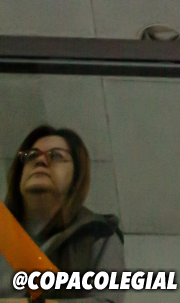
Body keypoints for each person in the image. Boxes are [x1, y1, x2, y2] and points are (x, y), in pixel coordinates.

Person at [0, 126, 125, 303]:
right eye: (31, 155)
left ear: (76, 177)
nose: (40, 160)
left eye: (56, 156)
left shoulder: (99, 235)